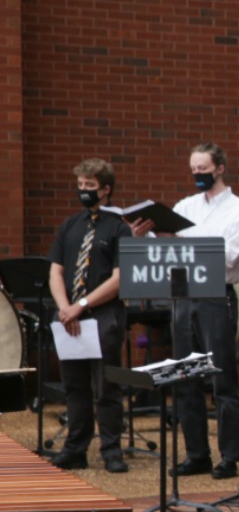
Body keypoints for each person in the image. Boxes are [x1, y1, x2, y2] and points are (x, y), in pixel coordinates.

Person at [129, 142, 239, 480]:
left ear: (220, 167)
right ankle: (197, 453)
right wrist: (148, 237)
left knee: (222, 379)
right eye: (194, 169)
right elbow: (168, 252)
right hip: (183, 294)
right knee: (186, 377)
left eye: (204, 168)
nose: (198, 174)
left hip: (215, 295)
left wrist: (178, 240)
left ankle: (229, 456)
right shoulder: (186, 205)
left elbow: (226, 257)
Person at [46, 158, 130, 473]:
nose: (83, 191)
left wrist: (82, 306)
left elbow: (119, 279)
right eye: (80, 186)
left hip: (102, 315)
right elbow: (56, 270)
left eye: (90, 187)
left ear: (106, 190)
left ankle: (112, 450)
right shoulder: (70, 225)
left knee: (106, 385)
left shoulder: (119, 228)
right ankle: (75, 448)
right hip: (68, 316)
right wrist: (65, 307)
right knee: (75, 386)